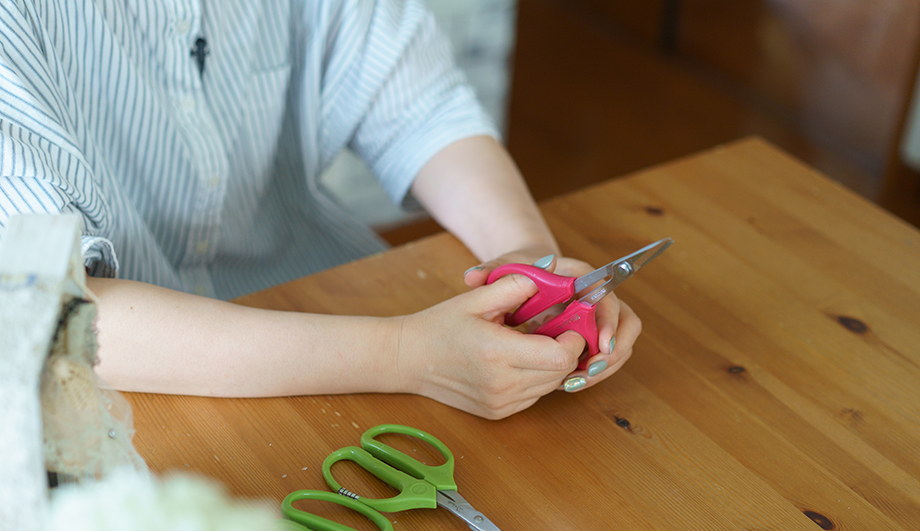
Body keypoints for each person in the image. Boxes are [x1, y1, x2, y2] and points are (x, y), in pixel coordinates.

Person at [0, 0, 641, 419]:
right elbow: (46, 308)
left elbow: (424, 111)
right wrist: (404, 355)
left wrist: (530, 259)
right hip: (128, 398)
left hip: (330, 312)